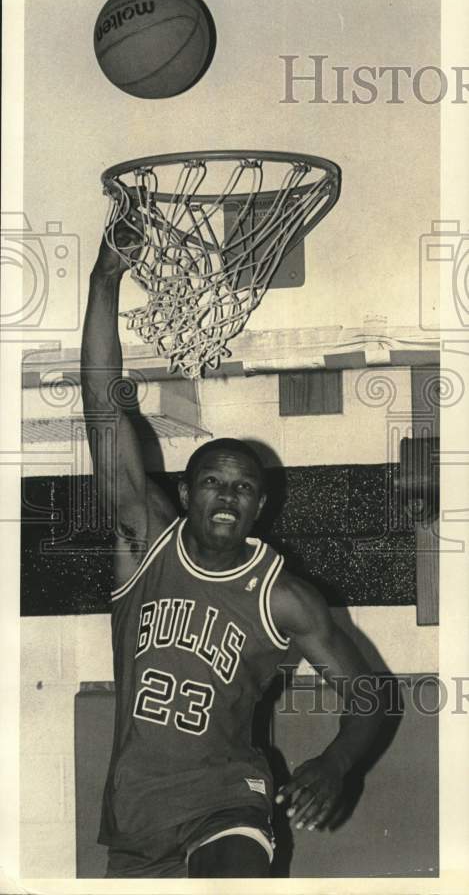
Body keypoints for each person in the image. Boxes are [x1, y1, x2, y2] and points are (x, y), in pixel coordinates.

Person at [80, 222, 384, 879]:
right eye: (213, 481)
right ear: (186, 493)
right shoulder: (144, 542)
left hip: (229, 802)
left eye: (244, 487)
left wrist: (335, 764)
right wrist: (104, 279)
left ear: (259, 506)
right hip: (134, 817)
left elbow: (369, 693)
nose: (227, 494)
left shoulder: (282, 596)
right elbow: (104, 413)